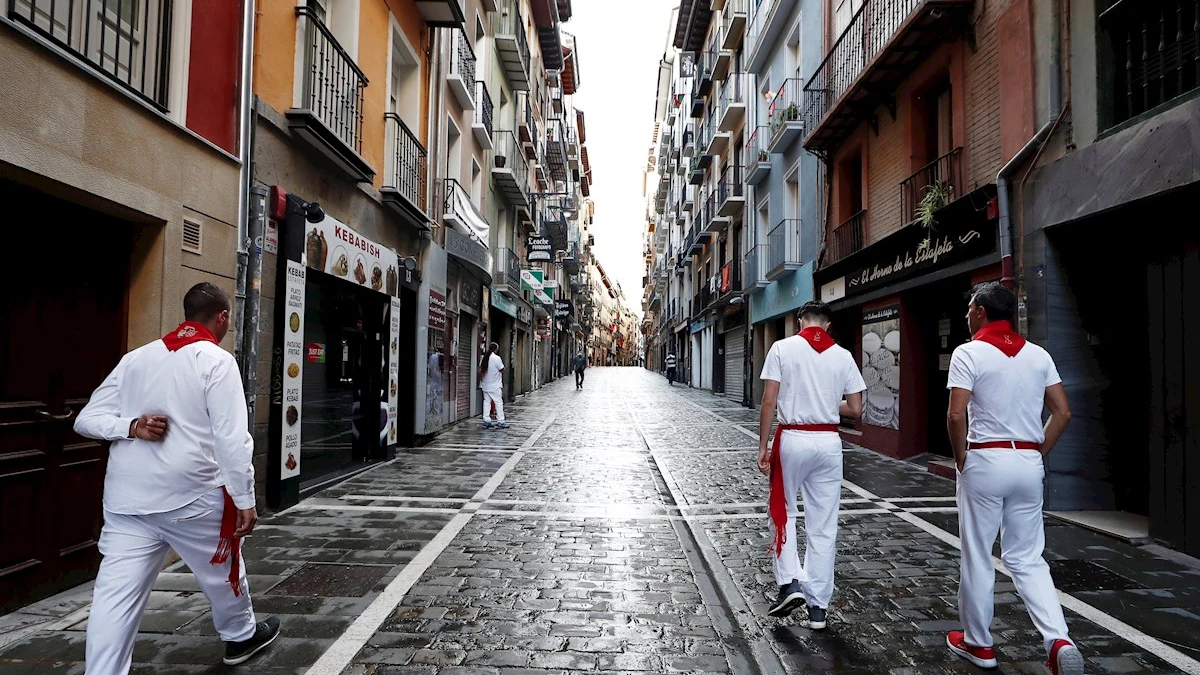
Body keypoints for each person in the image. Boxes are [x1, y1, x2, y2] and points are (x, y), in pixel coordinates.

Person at [74, 283, 280, 674]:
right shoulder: (216, 361)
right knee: (222, 571)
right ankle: (239, 636)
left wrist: (130, 425)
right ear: (222, 317)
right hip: (191, 496)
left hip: (127, 500)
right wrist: (245, 498)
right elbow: (232, 439)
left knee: (114, 598)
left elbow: (85, 420)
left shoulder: (136, 359)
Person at [945, 282, 1082, 675]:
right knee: (1027, 557)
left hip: (985, 459)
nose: (967, 314)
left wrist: (960, 458)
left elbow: (956, 415)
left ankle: (979, 644)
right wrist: (1038, 453)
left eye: (970, 307)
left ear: (982, 311)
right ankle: (1058, 639)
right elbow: (1063, 413)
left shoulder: (968, 352)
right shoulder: (1039, 356)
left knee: (977, 554)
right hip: (1027, 462)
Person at [757, 301, 864, 628]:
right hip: (829, 443)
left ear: (801, 321)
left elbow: (769, 400)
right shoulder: (843, 355)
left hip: (793, 440)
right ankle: (818, 608)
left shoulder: (782, 348)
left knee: (784, 511)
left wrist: (763, 445)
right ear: (827, 325)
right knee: (823, 524)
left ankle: (789, 582)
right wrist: (825, 400)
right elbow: (856, 409)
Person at [479, 341, 509, 429]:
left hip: (485, 384)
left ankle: (487, 420)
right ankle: (501, 421)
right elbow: (502, 369)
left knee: (486, 402)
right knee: (498, 403)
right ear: (495, 349)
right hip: (495, 385)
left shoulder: (484, 358)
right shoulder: (496, 358)